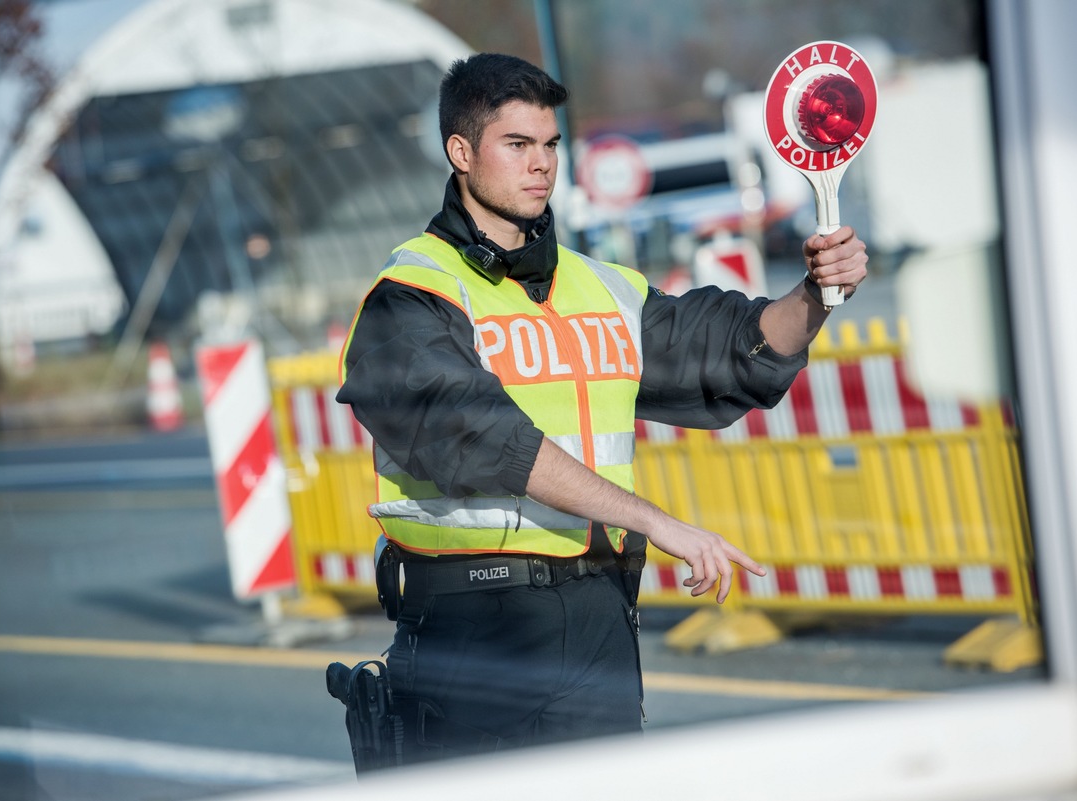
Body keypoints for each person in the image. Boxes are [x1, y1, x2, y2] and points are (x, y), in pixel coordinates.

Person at [336, 52, 867, 759]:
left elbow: (736, 349)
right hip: (474, 627)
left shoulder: (605, 288)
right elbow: (485, 438)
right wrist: (657, 521)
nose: (541, 165)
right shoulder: (409, 299)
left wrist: (815, 292)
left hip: (599, 617)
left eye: (551, 145)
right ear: (460, 152)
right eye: (517, 145)